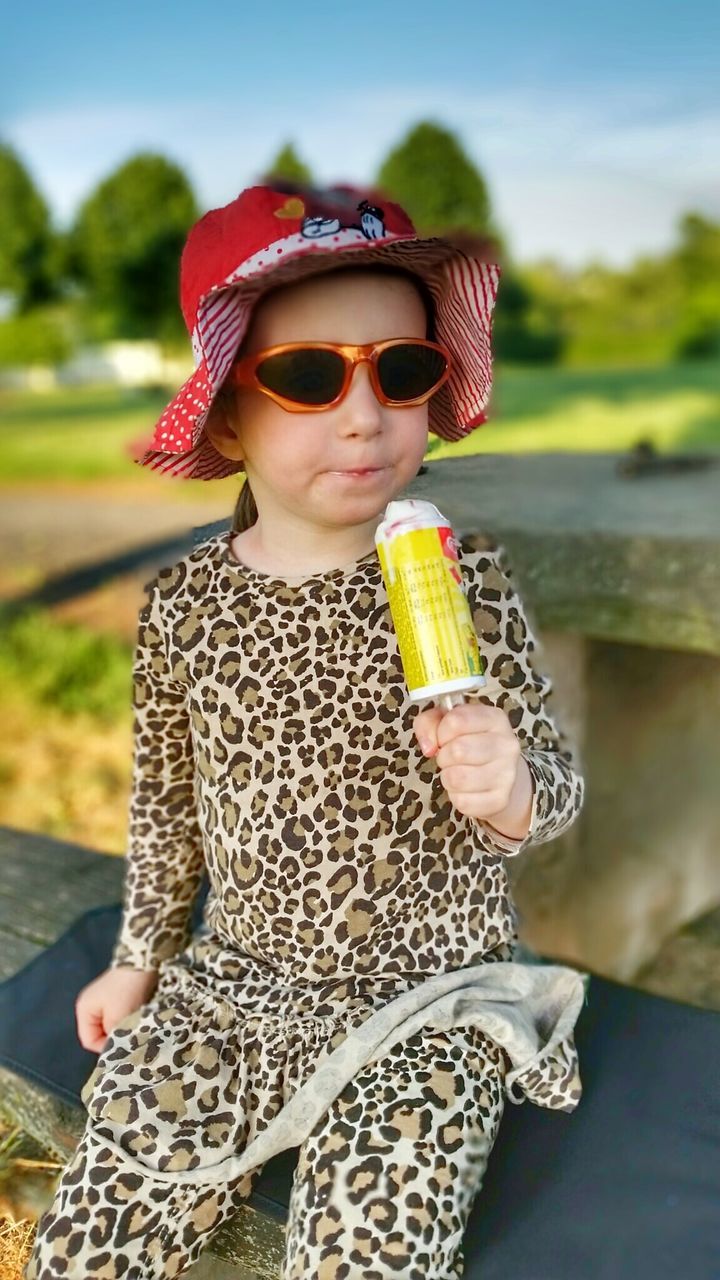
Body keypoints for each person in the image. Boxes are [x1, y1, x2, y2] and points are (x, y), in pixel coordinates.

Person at [25, 181, 587, 1280]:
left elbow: (554, 788)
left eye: (403, 369)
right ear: (229, 414)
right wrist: (140, 957)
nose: (363, 412)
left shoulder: (465, 581)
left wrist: (514, 786)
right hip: (237, 979)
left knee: (370, 1247)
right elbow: (167, 801)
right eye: (308, 376)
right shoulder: (186, 605)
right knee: (97, 1218)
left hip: (433, 990)